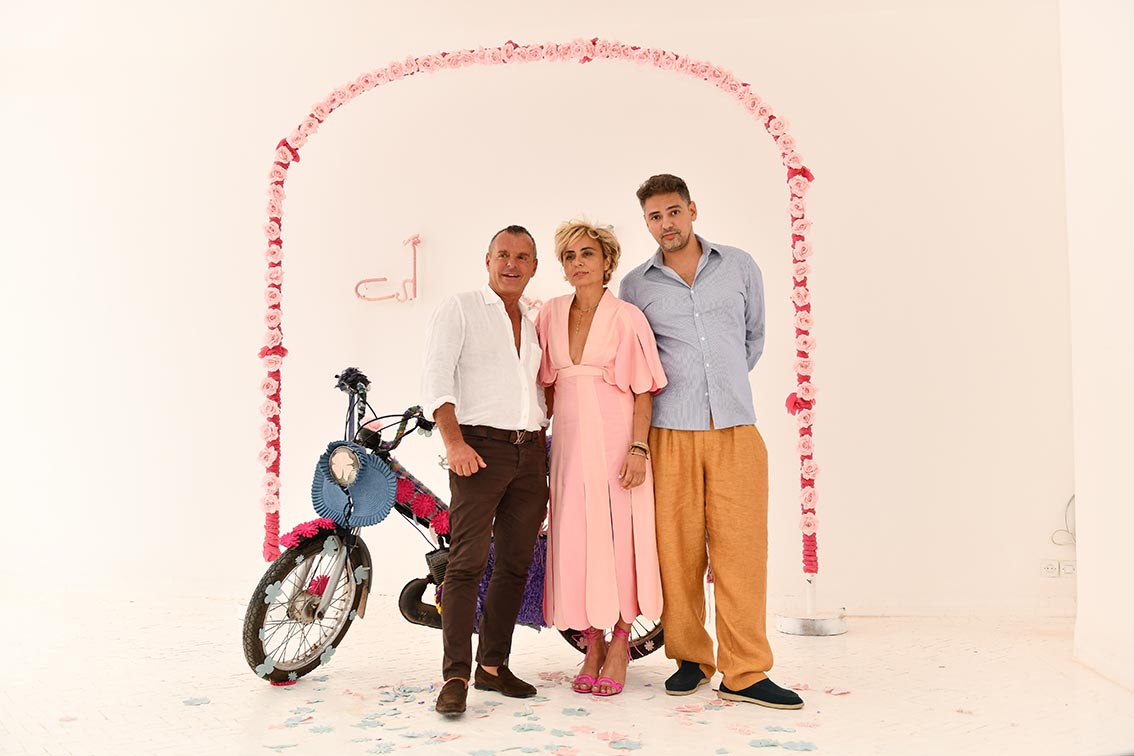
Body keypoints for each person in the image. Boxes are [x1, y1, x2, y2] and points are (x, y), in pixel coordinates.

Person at [619, 175, 804, 710]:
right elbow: (636, 358)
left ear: (692, 210)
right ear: (646, 223)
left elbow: (753, 338)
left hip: (735, 429)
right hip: (669, 433)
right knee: (676, 551)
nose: (666, 224)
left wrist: (720, 387)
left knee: (741, 552)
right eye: (655, 217)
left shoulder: (740, 266)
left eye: (673, 212)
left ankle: (744, 671)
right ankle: (690, 658)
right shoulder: (635, 286)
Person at [420, 225, 550, 715]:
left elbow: (537, 391)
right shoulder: (460, 308)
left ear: (534, 266)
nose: (511, 264)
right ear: (488, 260)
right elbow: (436, 378)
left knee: (515, 565)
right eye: (503, 255)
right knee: (466, 563)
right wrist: (454, 442)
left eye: (522, 256)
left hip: (529, 454)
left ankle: (492, 667)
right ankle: (455, 676)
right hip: (478, 450)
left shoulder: (534, 323)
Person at [534, 220, 667, 697]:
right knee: (576, 539)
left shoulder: (627, 317)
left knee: (619, 538)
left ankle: (620, 641)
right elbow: (545, 388)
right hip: (569, 447)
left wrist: (638, 449)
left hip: (616, 444)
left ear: (607, 261)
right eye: (569, 256)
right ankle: (591, 643)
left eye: (587, 254)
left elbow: (644, 390)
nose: (578, 263)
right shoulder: (549, 313)